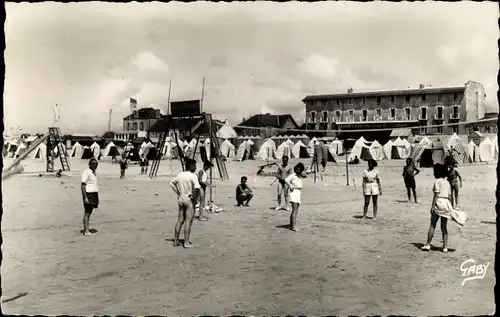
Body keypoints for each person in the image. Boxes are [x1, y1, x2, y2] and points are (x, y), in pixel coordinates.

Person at [421, 164, 453, 253]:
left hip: (439, 202)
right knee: (444, 226)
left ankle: (428, 244)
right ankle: (445, 247)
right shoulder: (447, 182)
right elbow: (450, 196)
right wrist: (451, 207)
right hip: (446, 203)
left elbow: (436, 194)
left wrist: (432, 206)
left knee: (433, 224)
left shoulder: (437, 181)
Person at [170, 158, 200, 248]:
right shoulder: (193, 176)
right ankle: (186, 242)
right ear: (191, 166)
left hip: (181, 199)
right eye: (194, 166)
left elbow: (171, 183)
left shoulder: (180, 175)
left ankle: (176, 241)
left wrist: (178, 193)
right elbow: (197, 187)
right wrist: (194, 197)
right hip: (189, 200)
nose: (195, 168)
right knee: (188, 221)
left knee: (180, 220)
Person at [81, 158, 99, 236]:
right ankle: (86, 231)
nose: (95, 166)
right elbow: (82, 185)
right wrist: (85, 197)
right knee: (87, 212)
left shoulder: (93, 172)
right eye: (93, 164)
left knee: (90, 212)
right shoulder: (87, 172)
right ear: (90, 164)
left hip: (93, 193)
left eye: (96, 164)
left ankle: (87, 229)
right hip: (88, 194)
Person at [285, 163, 305, 232]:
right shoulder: (292, 175)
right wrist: (290, 186)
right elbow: (286, 180)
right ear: (295, 168)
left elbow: (307, 173)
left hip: (298, 192)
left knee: (295, 210)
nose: (298, 169)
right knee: (295, 210)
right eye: (297, 168)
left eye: (300, 168)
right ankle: (293, 226)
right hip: (294, 192)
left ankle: (291, 225)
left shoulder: (299, 176)